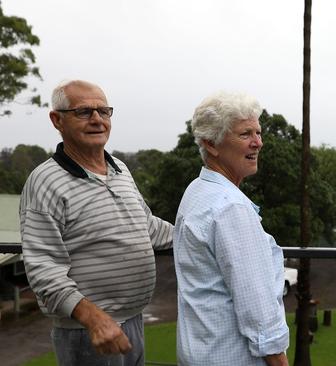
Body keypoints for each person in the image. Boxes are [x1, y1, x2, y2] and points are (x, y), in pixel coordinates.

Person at [19, 80, 173, 366]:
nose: (97, 120)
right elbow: (43, 268)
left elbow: (148, 227)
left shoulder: (120, 168)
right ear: (57, 120)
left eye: (104, 111)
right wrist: (94, 318)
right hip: (90, 332)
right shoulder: (44, 182)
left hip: (131, 322)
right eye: (84, 112)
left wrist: (200, 235)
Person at [174, 92, 289, 366]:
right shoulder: (230, 208)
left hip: (200, 352)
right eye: (245, 134)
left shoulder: (197, 190)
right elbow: (259, 312)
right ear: (211, 144)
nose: (258, 142)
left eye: (258, 132)